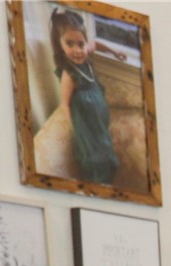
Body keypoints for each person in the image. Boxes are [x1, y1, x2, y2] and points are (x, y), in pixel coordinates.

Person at [48, 6, 128, 185]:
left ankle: (106, 176)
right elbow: (66, 103)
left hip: (98, 116)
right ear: (60, 46)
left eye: (81, 44)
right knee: (96, 156)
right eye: (70, 44)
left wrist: (115, 52)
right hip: (85, 122)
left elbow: (96, 44)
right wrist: (75, 127)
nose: (78, 50)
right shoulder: (69, 74)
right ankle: (98, 183)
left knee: (106, 146)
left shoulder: (86, 52)